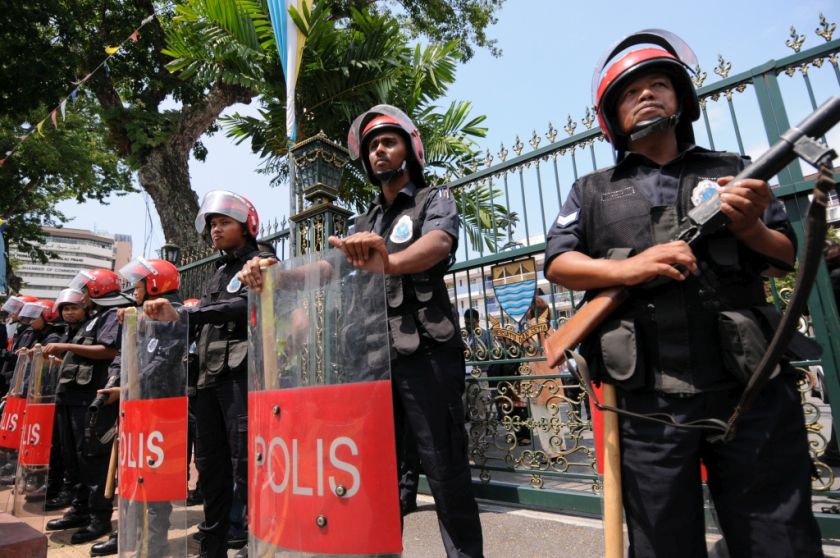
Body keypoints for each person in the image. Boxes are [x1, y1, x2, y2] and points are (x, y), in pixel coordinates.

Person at [543, 29, 822, 557]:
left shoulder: (734, 170)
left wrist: (750, 229)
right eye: (630, 92)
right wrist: (632, 269)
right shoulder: (592, 189)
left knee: (778, 539)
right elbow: (559, 262)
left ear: (682, 98)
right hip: (648, 404)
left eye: (658, 85)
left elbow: (787, 256)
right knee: (663, 544)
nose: (646, 95)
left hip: (751, 386)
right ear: (612, 116)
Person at [238, 104, 484, 557]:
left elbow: (438, 244)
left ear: (410, 149)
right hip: (371, 361)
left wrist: (388, 261)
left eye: (388, 142)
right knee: (376, 479)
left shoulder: (434, 199)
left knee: (446, 474)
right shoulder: (364, 222)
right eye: (372, 146)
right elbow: (328, 269)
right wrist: (275, 271)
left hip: (427, 353)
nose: (379, 152)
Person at [143, 190, 271, 558]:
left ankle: (257, 543)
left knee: (246, 466)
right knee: (210, 467)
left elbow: (245, 304)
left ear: (246, 226)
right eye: (212, 224)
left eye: (224, 223)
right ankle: (212, 546)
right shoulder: (217, 274)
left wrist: (188, 314)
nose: (216, 230)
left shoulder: (261, 261)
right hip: (208, 379)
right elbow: (200, 318)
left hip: (242, 375)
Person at [89, 257, 185, 557]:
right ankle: (127, 532)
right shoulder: (133, 315)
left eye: (140, 283)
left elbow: (163, 360)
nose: (135, 289)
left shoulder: (174, 314)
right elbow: (123, 355)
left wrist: (128, 387)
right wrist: (118, 381)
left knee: (156, 479)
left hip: (162, 408)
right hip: (136, 407)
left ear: (156, 282)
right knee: (130, 471)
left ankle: (154, 543)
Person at [44, 269, 127, 545]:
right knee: (72, 458)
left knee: (92, 459)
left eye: (87, 289)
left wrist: (66, 346)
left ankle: (98, 518)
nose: (82, 295)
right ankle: (79, 510)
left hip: (90, 399)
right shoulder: (88, 320)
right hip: (70, 397)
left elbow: (110, 351)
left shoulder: (110, 316)